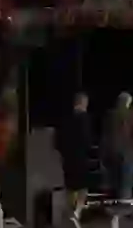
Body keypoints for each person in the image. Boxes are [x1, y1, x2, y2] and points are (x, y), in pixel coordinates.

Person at [54, 92, 92, 222]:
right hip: (80, 157)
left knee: (70, 186)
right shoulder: (84, 119)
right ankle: (77, 211)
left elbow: (57, 141)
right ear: (83, 103)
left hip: (67, 158)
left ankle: (70, 210)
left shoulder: (65, 119)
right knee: (83, 187)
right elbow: (87, 139)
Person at [102, 92, 133, 200]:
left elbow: (105, 137)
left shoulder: (110, 115)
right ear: (129, 102)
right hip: (129, 155)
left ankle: (114, 211)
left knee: (115, 185)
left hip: (112, 154)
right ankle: (124, 210)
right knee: (126, 185)